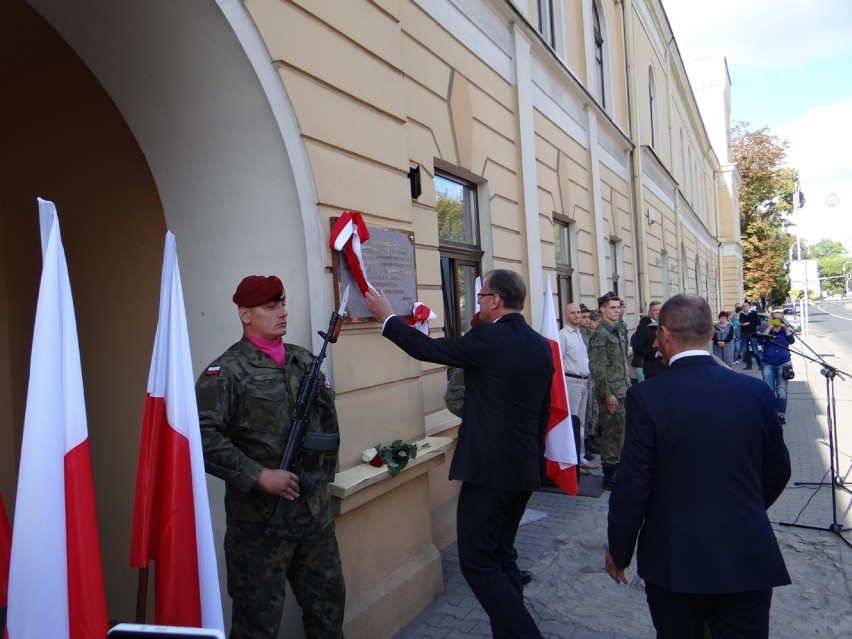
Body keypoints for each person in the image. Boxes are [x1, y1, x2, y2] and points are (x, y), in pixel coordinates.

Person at [364, 270, 551, 639]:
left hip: (490, 473)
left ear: (495, 301)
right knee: (501, 555)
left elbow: (427, 350)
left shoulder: (488, 338)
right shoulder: (539, 344)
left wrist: (387, 317)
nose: (478, 302)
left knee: (478, 563)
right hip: (523, 467)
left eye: (480, 295)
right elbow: (542, 410)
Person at [605, 294, 791, 639]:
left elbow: (633, 484)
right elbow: (778, 470)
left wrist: (619, 549)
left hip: (677, 559)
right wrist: (743, 507)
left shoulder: (649, 397)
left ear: (664, 334)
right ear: (708, 333)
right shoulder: (755, 391)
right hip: (746, 552)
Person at [196, 275, 345, 639]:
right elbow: (201, 437)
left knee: (328, 609)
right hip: (259, 525)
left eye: (282, 304)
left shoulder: (303, 360)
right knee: (256, 624)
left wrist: (321, 483)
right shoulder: (226, 372)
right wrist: (258, 475)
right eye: (271, 306)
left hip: (312, 516)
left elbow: (327, 424)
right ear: (245, 314)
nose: (282, 312)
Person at [588, 292, 631, 490]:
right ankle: (610, 474)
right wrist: (608, 394)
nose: (616, 311)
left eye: (617, 307)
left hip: (622, 389)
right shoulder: (601, 333)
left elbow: (620, 362)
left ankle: (618, 467)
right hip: (611, 392)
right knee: (611, 433)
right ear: (602, 310)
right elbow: (598, 368)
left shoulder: (618, 330)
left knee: (620, 432)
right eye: (612, 308)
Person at [558, 302, 596, 472]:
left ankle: (580, 458)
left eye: (578, 312)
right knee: (572, 422)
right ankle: (571, 461)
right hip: (571, 382)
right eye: (573, 313)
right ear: (566, 315)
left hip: (583, 381)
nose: (577, 315)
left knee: (581, 423)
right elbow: (558, 361)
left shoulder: (580, 334)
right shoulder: (563, 335)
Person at [758, 311, 796, 424]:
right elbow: (760, 340)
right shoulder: (766, 330)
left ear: (783, 319)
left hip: (783, 363)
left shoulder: (785, 331)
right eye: (775, 318)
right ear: (771, 319)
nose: (777, 321)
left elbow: (791, 341)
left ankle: (781, 414)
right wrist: (769, 328)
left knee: (782, 391)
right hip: (768, 363)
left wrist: (786, 327)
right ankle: (771, 413)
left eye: (780, 319)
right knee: (769, 390)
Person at [631, 301, 664, 379]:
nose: (658, 312)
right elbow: (637, 348)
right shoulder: (643, 327)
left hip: (668, 368)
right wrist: (655, 353)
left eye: (660, 310)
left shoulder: (668, 324)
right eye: (655, 310)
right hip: (652, 369)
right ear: (649, 313)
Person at [739, 301, 763, 370]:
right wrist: (742, 324)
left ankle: (760, 365)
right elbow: (741, 322)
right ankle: (748, 365)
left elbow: (758, 322)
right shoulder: (742, 314)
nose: (745, 308)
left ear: (749, 306)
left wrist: (749, 323)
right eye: (743, 306)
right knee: (746, 350)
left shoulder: (753, 313)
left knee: (755, 349)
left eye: (746, 306)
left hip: (752, 333)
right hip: (744, 333)